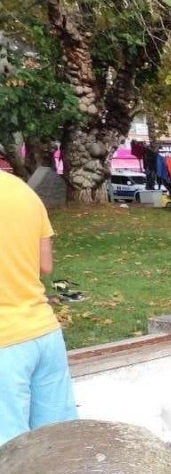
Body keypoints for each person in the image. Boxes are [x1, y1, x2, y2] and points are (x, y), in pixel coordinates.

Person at [0, 171, 77, 445]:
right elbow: (45, 266)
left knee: (9, 458)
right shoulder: (23, 191)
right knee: (58, 447)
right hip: (44, 333)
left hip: (5, 344)